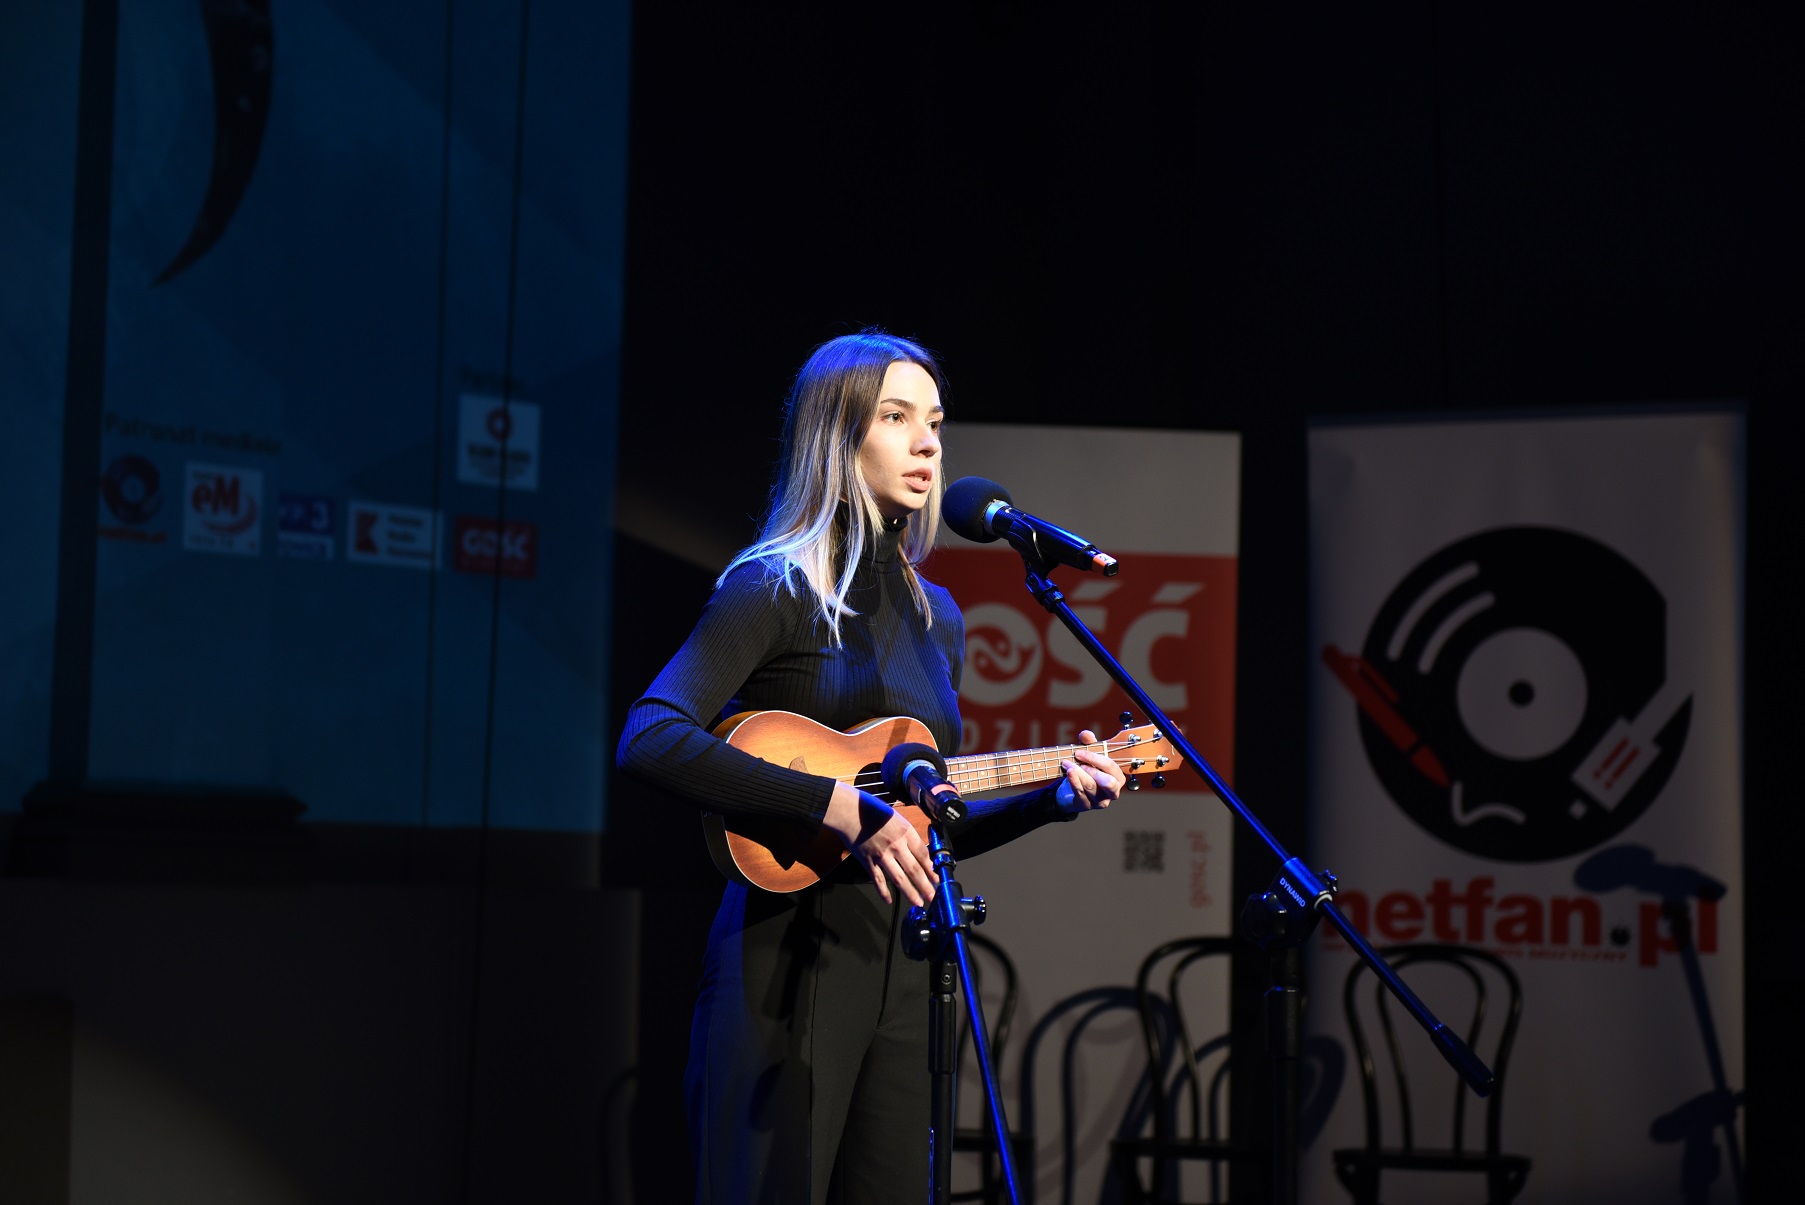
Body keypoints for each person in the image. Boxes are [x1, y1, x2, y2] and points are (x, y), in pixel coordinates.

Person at [617, 330, 1123, 1204]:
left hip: (906, 957)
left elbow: (925, 823)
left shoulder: (937, 617)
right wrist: (834, 806)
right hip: (783, 957)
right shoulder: (774, 587)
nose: (926, 442)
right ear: (837, 434)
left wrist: (1053, 798)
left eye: (935, 421)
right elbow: (650, 735)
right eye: (896, 417)